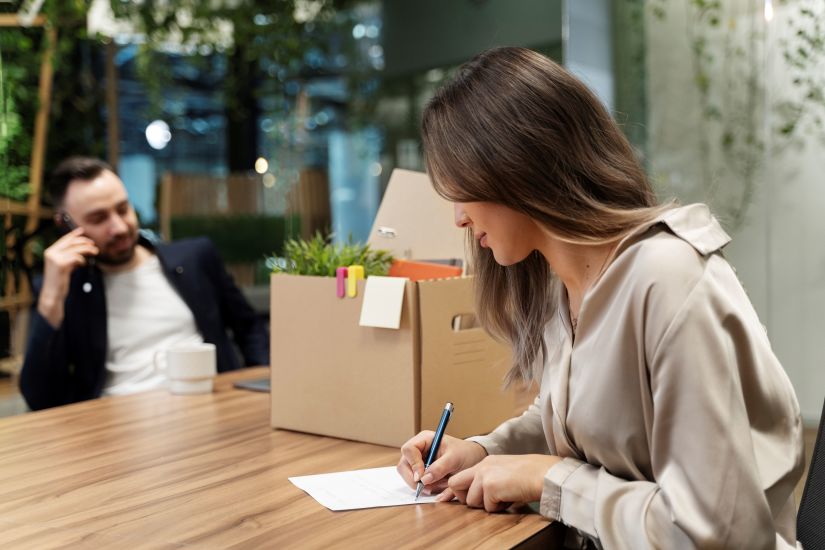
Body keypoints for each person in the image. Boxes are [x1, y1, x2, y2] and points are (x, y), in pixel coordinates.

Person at [397, 47, 804, 549]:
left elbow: (717, 534)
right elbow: (583, 422)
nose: (458, 217)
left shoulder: (667, 281)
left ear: (515, 166)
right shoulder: (562, 285)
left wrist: (552, 482)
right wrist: (485, 451)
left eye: (461, 189)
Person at [20, 157, 269, 410]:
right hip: (114, 425)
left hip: (209, 407)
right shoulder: (65, 289)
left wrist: (263, 384)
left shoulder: (194, 258)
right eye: (98, 219)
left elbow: (250, 328)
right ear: (66, 224)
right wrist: (51, 299)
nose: (118, 227)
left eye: (123, 209)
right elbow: (41, 399)